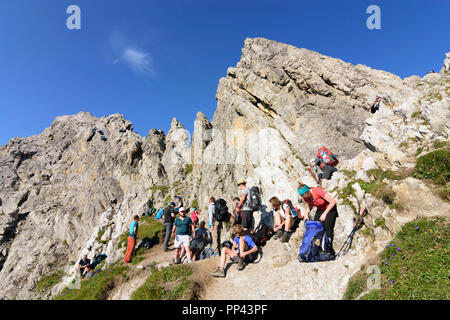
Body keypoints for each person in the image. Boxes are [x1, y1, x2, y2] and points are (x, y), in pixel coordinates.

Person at [298, 184, 338, 256]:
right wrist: (306, 214)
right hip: (320, 209)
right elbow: (310, 204)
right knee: (316, 228)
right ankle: (317, 248)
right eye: (303, 196)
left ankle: (329, 249)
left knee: (327, 226)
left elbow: (333, 202)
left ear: (308, 191)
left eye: (306, 195)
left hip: (330, 208)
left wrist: (325, 214)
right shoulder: (305, 197)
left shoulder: (317, 191)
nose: (305, 197)